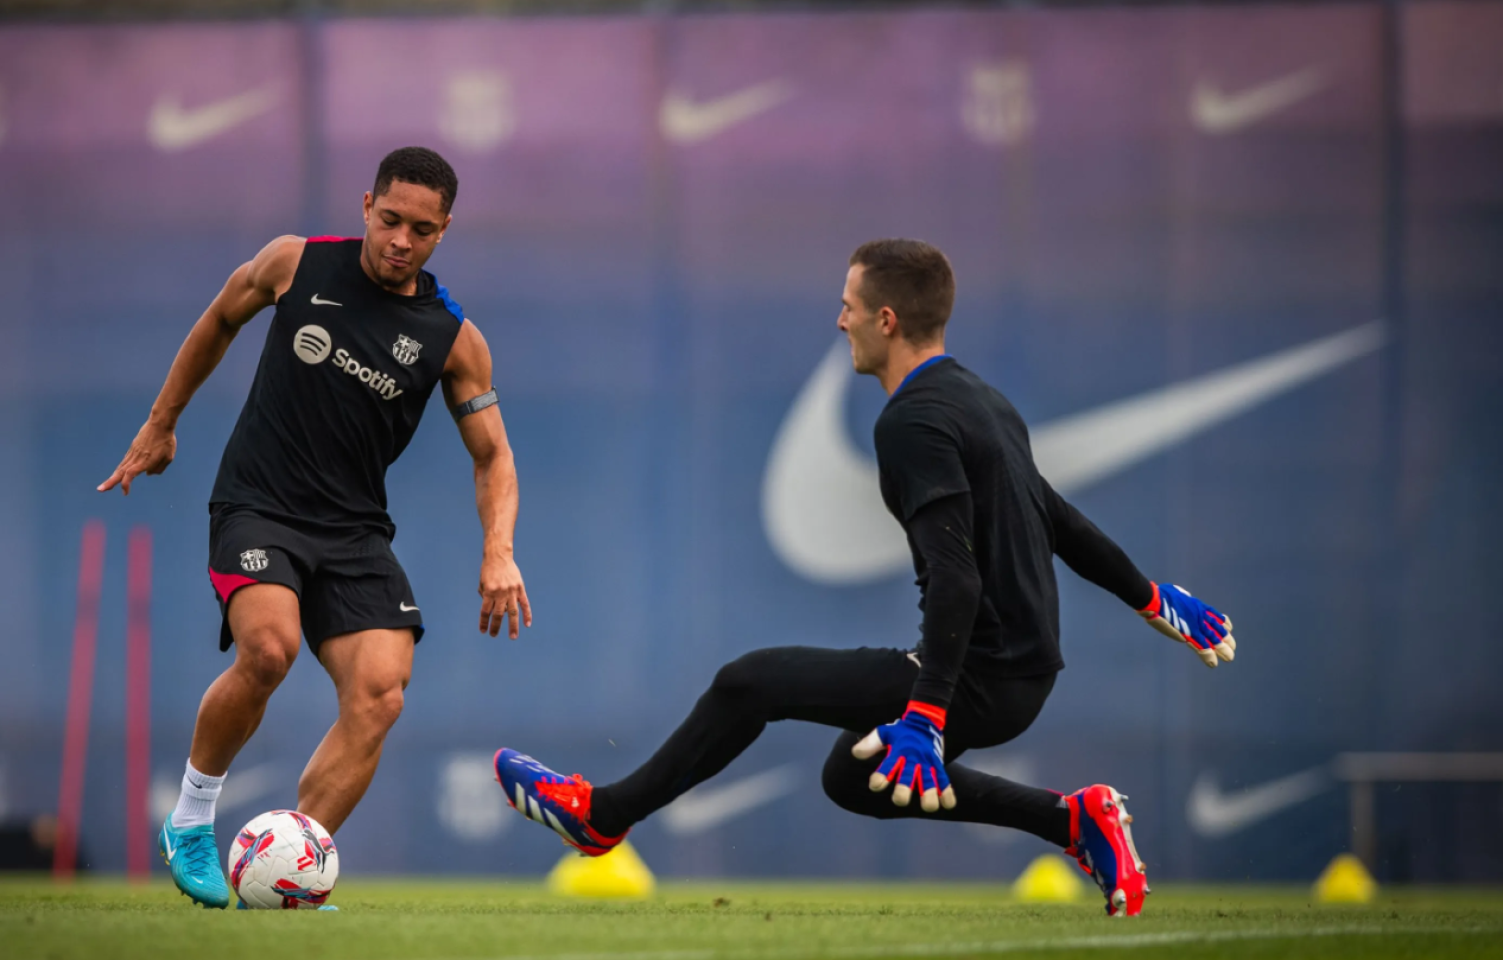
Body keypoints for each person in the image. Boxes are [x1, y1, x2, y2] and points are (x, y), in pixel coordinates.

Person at [494, 239, 1234, 917]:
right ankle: (1074, 821)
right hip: (1021, 672)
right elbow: (1061, 520)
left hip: (983, 675)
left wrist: (927, 715)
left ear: (885, 319)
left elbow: (957, 577)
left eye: (847, 306)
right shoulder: (984, 399)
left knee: (748, 682)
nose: (837, 319)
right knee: (852, 777)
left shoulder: (910, 422)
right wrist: (1151, 599)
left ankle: (600, 818)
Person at [100, 146, 530, 909]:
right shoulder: (294, 264)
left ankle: (285, 867)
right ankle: (192, 820)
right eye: (391, 219)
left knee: (380, 695)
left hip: (356, 532)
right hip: (259, 503)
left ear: (444, 231)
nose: (401, 239)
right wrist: (160, 425)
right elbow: (218, 320)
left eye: (421, 230)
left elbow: (493, 456)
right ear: (366, 205)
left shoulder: (452, 338)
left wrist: (499, 551)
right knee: (270, 648)